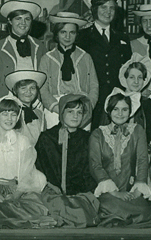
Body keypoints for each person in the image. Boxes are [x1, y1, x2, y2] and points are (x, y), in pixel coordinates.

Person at [0, 96, 57, 229]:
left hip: (16, 190)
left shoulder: (23, 141)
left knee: (33, 206)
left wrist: (16, 194)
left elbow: (27, 172)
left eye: (13, 114)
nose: (9, 119)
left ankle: (25, 218)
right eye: (5, 114)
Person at [89, 90, 151, 227]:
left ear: (130, 111)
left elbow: (142, 160)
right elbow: (95, 165)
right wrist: (115, 193)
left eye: (124, 109)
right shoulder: (98, 134)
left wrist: (137, 191)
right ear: (108, 111)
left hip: (130, 191)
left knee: (144, 210)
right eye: (116, 109)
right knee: (110, 207)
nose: (120, 113)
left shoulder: (137, 130)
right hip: (108, 192)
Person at [35, 93, 101, 227]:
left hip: (81, 192)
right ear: (61, 112)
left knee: (82, 213)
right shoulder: (47, 138)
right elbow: (39, 168)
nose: (75, 116)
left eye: (79, 112)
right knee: (57, 206)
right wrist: (53, 187)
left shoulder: (87, 138)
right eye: (70, 111)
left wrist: (82, 192)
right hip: (53, 192)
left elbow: (90, 169)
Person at [77, 0, 132, 127]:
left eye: (112, 8)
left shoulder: (122, 38)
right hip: (91, 99)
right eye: (103, 7)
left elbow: (128, 69)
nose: (108, 12)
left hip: (116, 101)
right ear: (94, 9)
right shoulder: (82, 37)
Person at [38, 11, 99, 128]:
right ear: (57, 34)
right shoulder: (47, 59)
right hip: (55, 109)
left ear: (76, 34)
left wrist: (87, 107)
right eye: (63, 32)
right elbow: (43, 88)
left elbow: (94, 86)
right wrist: (56, 108)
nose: (67, 37)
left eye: (72, 32)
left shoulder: (85, 57)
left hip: (80, 109)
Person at [0, 0, 46, 104]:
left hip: (34, 102)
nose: (23, 23)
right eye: (18, 18)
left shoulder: (39, 46)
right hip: (7, 103)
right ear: (9, 20)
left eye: (27, 19)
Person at [119, 54, 151, 144]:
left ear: (144, 80)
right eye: (132, 77)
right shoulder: (116, 100)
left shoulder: (148, 104)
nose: (136, 81)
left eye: (140, 77)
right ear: (125, 78)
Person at [4, 70, 47, 146]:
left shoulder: (39, 114)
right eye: (23, 88)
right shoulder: (11, 112)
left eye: (32, 88)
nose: (28, 92)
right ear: (15, 91)